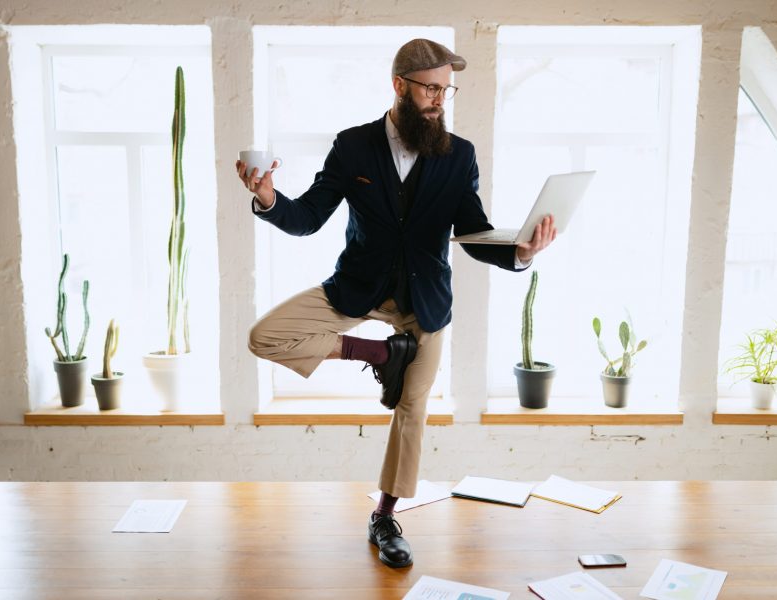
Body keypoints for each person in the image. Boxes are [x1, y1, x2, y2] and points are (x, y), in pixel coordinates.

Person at [236, 38, 557, 569]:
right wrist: (268, 199)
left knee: (412, 406)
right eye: (431, 88)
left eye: (445, 89)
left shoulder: (460, 155)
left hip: (423, 301)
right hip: (358, 288)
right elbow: (308, 217)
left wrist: (520, 252)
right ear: (399, 86)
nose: (439, 99)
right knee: (263, 336)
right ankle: (383, 354)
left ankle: (385, 516)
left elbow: (473, 233)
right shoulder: (354, 146)